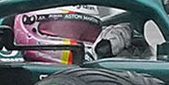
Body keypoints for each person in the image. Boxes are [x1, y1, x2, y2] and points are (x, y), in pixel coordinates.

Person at [12, 6, 140, 63]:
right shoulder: (10, 71)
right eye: (67, 31)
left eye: (87, 34)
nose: (78, 40)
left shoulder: (102, 62)